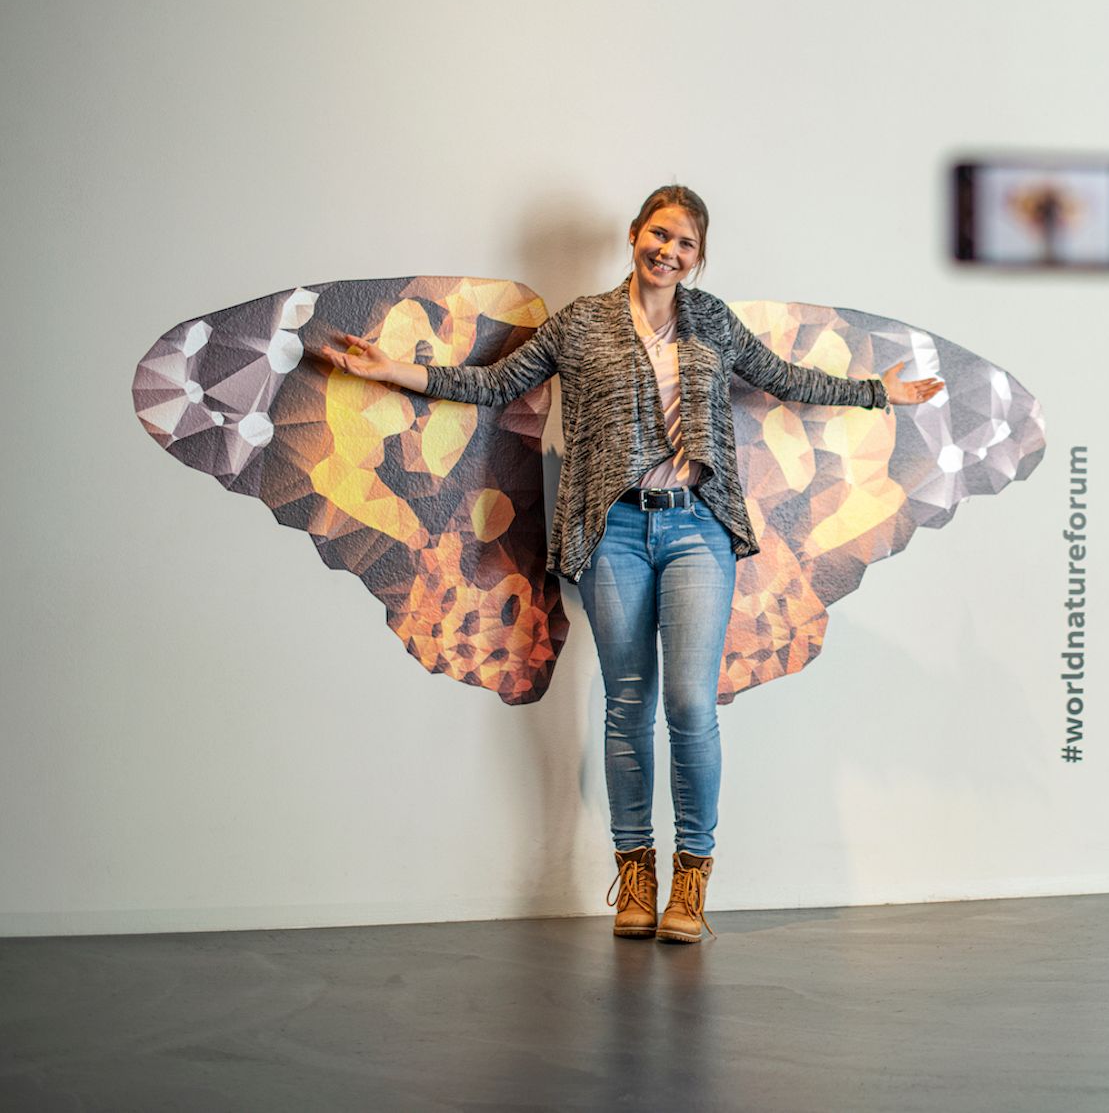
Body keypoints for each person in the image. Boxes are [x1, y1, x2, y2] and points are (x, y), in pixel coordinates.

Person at [317, 185, 943, 943]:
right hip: (611, 531)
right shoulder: (581, 323)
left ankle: (692, 880)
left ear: (697, 257)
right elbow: (494, 384)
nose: (669, 251)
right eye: (660, 234)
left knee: (689, 704)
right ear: (635, 234)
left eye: (685, 243)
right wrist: (393, 372)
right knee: (626, 707)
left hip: (698, 529)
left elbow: (787, 379)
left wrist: (883, 393)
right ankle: (635, 874)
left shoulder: (710, 320)